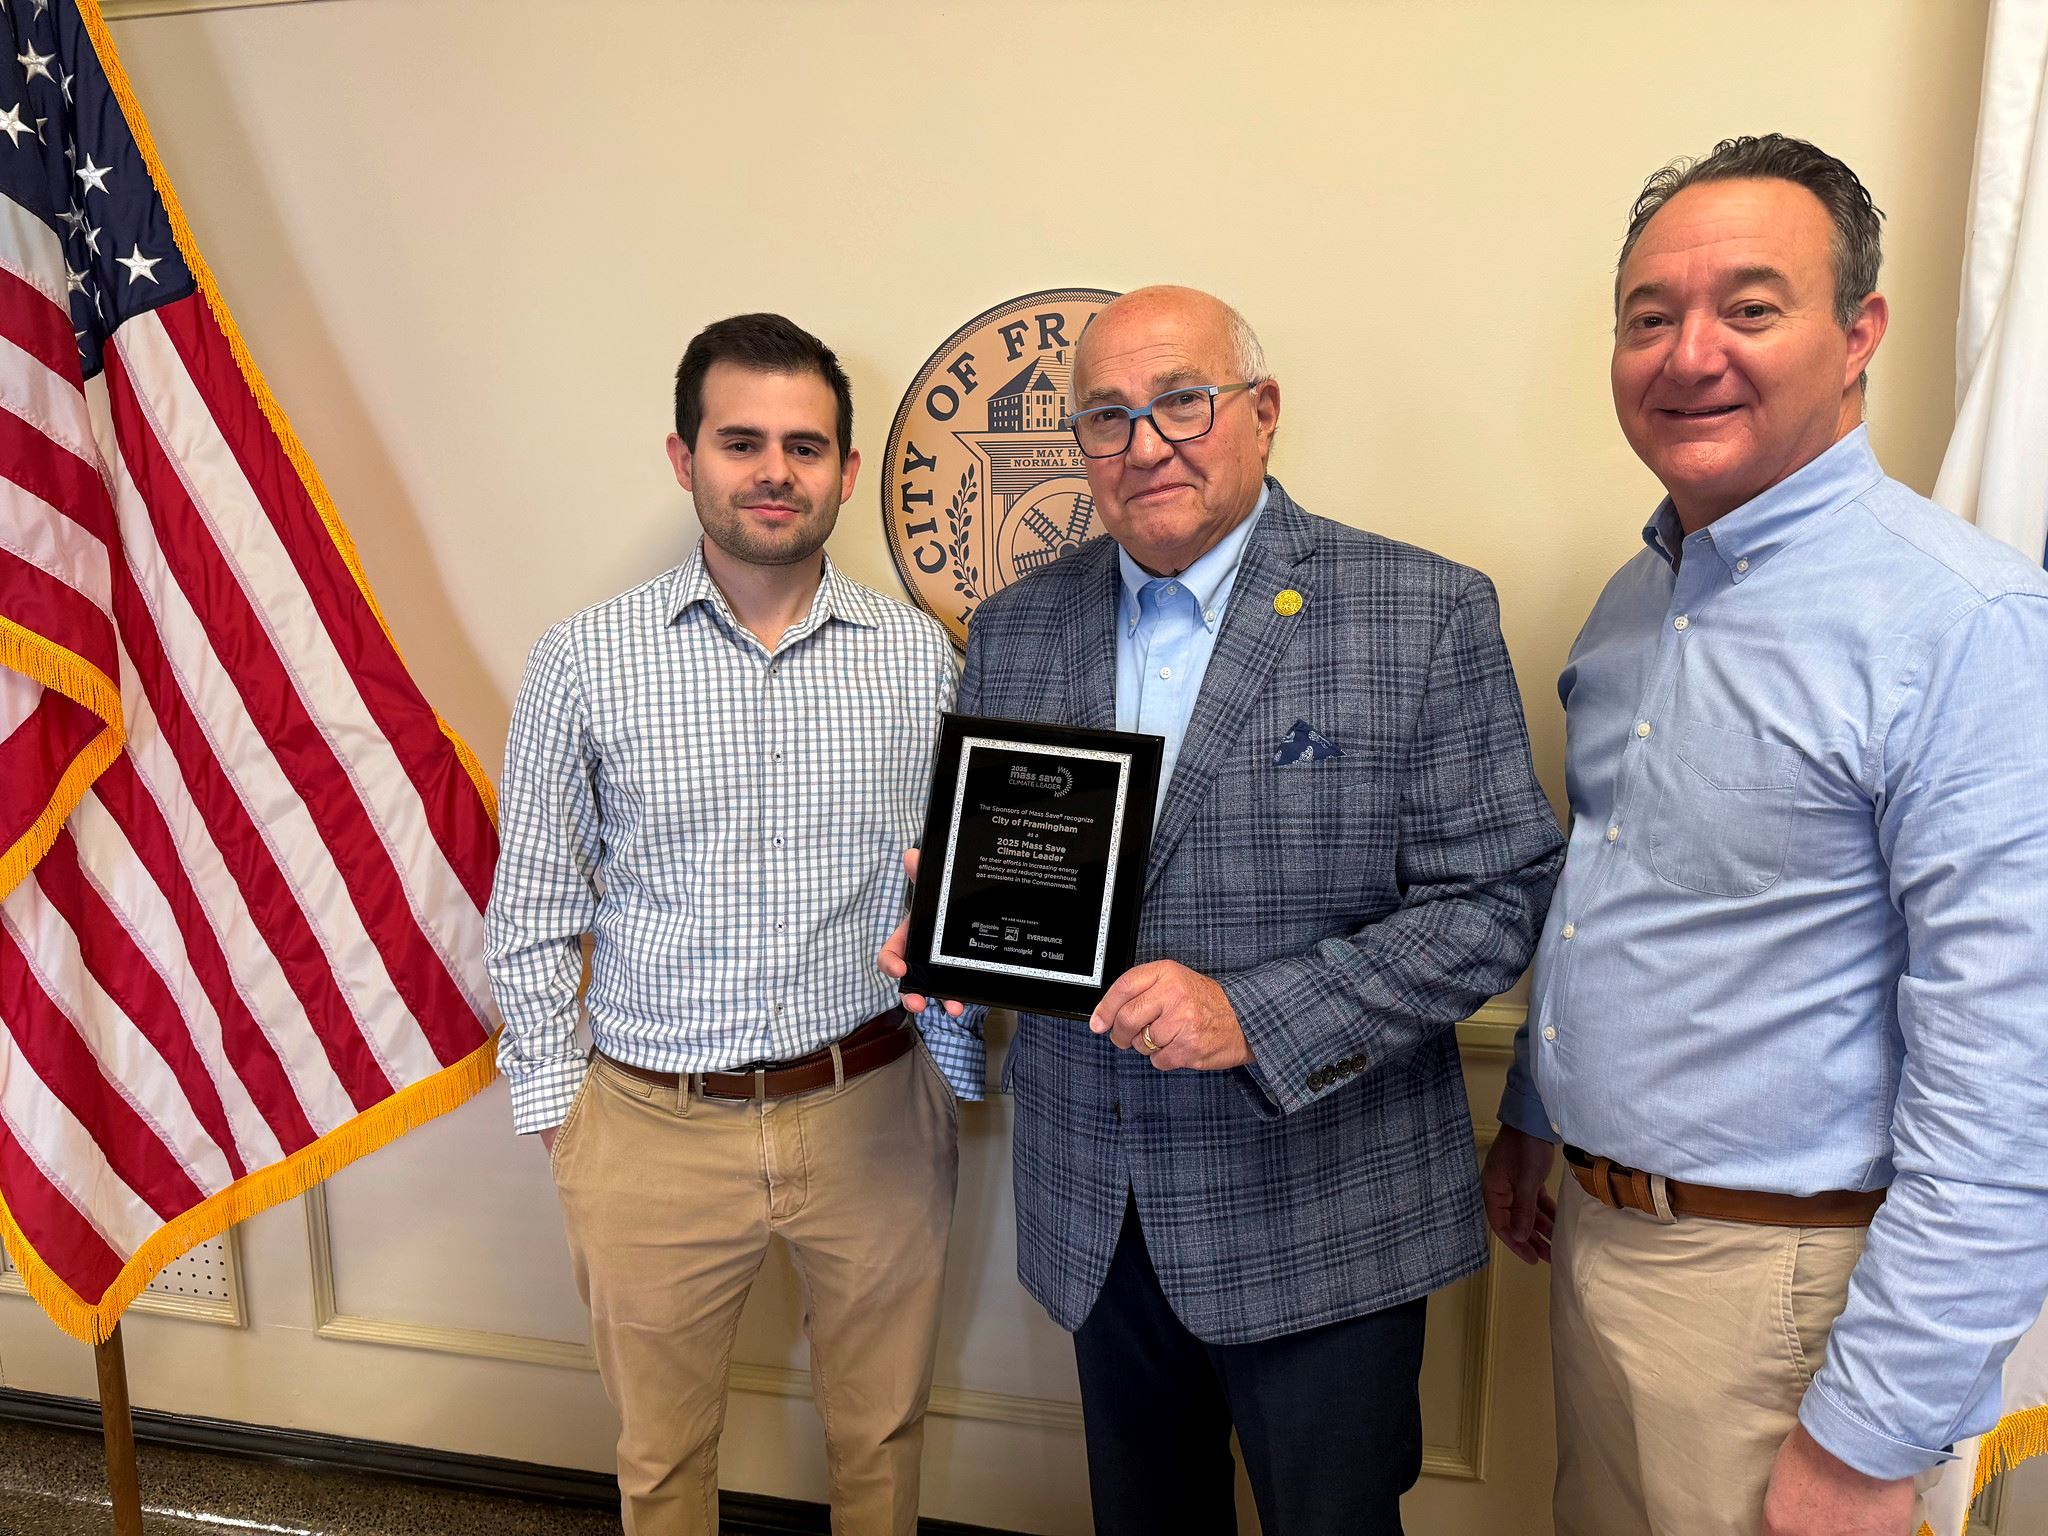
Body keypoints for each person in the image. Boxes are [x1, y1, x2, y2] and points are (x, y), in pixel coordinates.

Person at [885, 285, 1564, 1535]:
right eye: (1106, 416)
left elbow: (1495, 900)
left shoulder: (1418, 611)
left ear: (1259, 414)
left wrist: (1255, 1014)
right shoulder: (1019, 626)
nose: (1145, 444)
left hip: (1321, 1210)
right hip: (1095, 1201)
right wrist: (958, 942)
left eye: (1180, 402)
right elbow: (1020, 870)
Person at [1482, 134, 2048, 1536]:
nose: (1687, 356)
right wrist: (1535, 1116)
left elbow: (2011, 1067)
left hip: (1793, 1303)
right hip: (1600, 1254)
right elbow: (1623, 889)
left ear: (1859, 334)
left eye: (1749, 307)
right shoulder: (1633, 601)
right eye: (1649, 317)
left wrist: (1871, 1433)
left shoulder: (1962, 625)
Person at [484, 313, 979, 1536]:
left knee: (879, 1442)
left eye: (805, 446)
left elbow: (952, 894)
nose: (774, 471)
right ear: (683, 457)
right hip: (650, 1125)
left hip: (871, 1113)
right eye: (741, 440)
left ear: (847, 474)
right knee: (661, 1463)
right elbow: (535, 906)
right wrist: (563, 1114)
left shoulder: (920, 662)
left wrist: (953, 1066)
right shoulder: (585, 662)